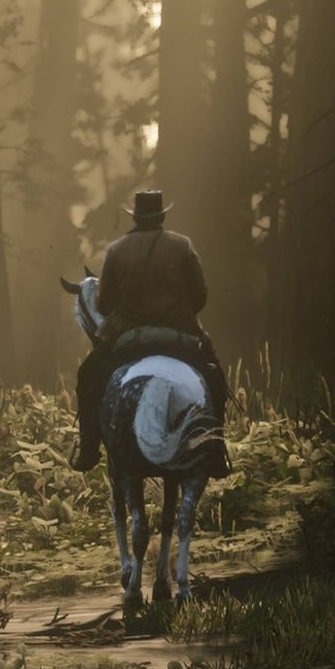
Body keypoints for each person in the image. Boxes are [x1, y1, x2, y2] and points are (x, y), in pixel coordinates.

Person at [71, 189, 232, 474]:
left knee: (88, 378)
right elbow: (200, 295)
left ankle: (88, 449)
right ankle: (216, 449)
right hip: (179, 334)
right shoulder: (183, 246)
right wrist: (180, 315)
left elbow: (105, 304)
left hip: (129, 337)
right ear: (160, 216)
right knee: (215, 376)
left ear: (135, 216)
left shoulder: (117, 250)